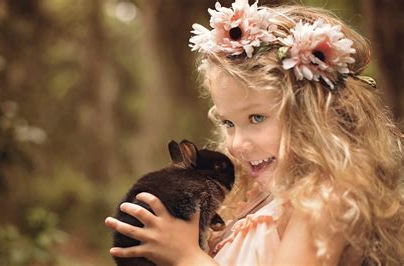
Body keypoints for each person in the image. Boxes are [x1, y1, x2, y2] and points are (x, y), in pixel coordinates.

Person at [105, 1, 403, 265]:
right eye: (228, 123)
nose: (236, 144)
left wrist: (187, 257)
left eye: (257, 117)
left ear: (314, 114)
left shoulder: (323, 201)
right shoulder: (256, 200)